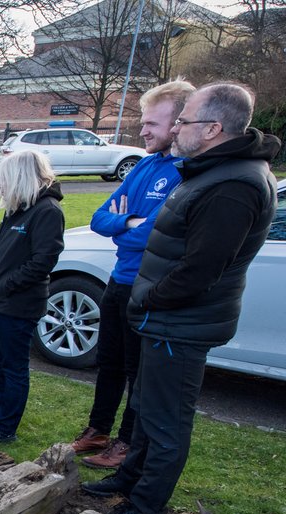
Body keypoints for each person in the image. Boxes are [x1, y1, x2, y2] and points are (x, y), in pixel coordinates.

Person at [83, 82, 279, 514]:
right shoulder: (210, 171)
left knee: (167, 421)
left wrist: (147, 299)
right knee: (148, 410)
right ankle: (129, 480)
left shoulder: (235, 185)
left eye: (184, 121)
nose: (177, 130)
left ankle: (145, 506)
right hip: (163, 318)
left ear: (212, 128)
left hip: (180, 322)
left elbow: (200, 269)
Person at [70, 80, 195, 469]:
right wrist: (128, 219)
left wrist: (126, 223)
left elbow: (155, 232)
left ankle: (126, 442)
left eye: (152, 124)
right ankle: (99, 429)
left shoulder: (183, 172)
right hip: (119, 280)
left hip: (149, 286)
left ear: (178, 124)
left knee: (137, 371)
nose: (143, 131)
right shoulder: (144, 164)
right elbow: (99, 219)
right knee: (108, 363)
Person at [0, 151, 65, 443]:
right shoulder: (17, 209)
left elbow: (42, 262)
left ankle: (6, 427)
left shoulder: (47, 211)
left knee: (14, 367)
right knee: (0, 365)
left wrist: (4, 286)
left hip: (17, 304)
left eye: (4, 179)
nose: (1, 185)